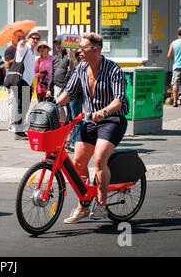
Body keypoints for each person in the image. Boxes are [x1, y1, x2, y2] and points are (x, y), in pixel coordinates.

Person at [56, 32, 129, 222]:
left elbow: (120, 100)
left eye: (82, 48)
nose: (78, 51)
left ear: (94, 50)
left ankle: (102, 205)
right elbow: (69, 92)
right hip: (89, 121)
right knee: (78, 162)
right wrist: (53, 103)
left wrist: (104, 112)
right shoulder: (81, 68)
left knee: (99, 161)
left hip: (112, 120)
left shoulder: (114, 70)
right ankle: (83, 206)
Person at [10, 30, 40, 140]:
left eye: (37, 39)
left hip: (28, 82)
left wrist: (31, 84)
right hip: (21, 81)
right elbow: (19, 52)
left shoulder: (33, 51)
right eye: (33, 38)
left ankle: (20, 129)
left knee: (25, 106)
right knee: (20, 106)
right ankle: (17, 131)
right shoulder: (25, 47)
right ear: (28, 38)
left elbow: (30, 69)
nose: (35, 40)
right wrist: (20, 45)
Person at [47, 35, 74, 123]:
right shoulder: (55, 58)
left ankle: (69, 128)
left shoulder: (69, 56)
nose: (58, 46)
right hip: (57, 87)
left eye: (60, 43)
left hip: (67, 87)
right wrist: (49, 89)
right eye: (56, 44)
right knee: (59, 108)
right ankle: (62, 127)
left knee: (68, 109)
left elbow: (71, 72)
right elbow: (52, 74)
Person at [4, 29, 25, 132]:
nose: (21, 39)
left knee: (22, 103)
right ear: (13, 38)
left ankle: (20, 122)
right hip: (13, 79)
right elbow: (8, 63)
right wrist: (18, 57)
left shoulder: (24, 48)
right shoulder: (10, 50)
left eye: (23, 37)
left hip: (22, 79)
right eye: (19, 37)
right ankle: (12, 124)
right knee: (13, 102)